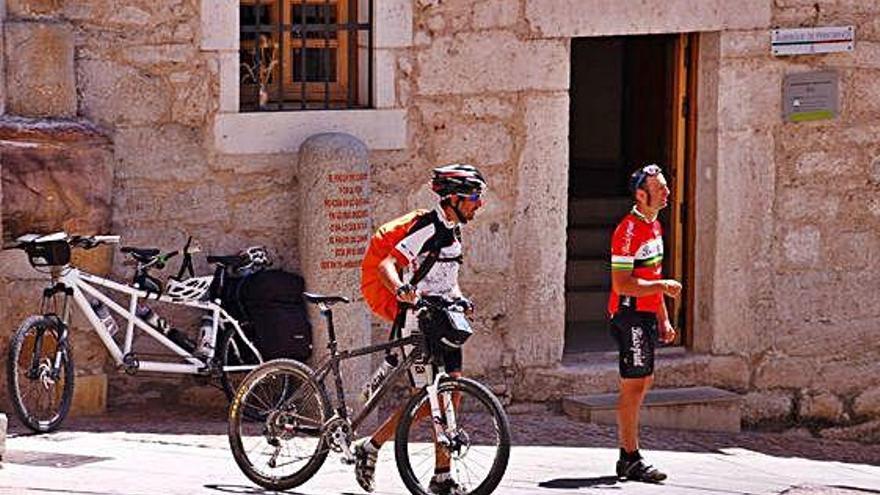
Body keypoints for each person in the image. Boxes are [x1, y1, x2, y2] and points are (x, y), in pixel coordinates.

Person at [354, 163, 487, 495]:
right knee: (428, 400)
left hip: (446, 320)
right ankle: (370, 447)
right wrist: (401, 288)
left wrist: (461, 298)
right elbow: (389, 263)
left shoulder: (454, 230)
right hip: (418, 323)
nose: (478, 204)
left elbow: (445, 280)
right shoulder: (427, 228)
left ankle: (442, 476)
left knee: (450, 395)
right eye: (473, 197)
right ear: (453, 198)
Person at [608, 163, 681, 483]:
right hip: (629, 314)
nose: (667, 192)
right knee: (634, 385)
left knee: (643, 382)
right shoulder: (628, 230)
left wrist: (664, 317)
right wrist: (663, 287)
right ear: (641, 194)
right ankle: (629, 457)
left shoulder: (655, 225)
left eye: (666, 186)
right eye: (660, 188)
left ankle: (630, 455)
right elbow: (622, 284)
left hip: (647, 314)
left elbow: (649, 275)